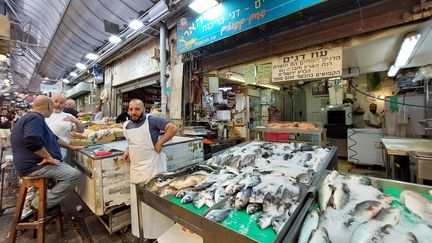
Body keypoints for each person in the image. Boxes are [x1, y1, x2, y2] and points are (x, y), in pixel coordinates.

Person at [10, 95, 81, 211]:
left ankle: (39, 201)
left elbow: (55, 138)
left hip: (32, 164)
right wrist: (48, 157)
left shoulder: (32, 117)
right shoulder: (35, 118)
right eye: (54, 104)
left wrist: (70, 147)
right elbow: (31, 140)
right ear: (49, 105)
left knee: (67, 172)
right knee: (73, 175)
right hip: (33, 167)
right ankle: (39, 204)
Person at [122, 99, 178, 240]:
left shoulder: (152, 120)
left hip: (153, 167)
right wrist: (128, 149)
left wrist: (159, 142)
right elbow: (132, 142)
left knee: (156, 201)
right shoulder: (126, 125)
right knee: (138, 203)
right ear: (128, 111)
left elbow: (173, 128)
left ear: (143, 110)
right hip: (136, 170)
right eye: (131, 109)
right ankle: (141, 231)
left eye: (137, 109)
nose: (134, 112)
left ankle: (160, 232)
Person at [45, 94, 85, 160]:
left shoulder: (69, 116)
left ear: (65, 104)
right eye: (56, 101)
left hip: (61, 153)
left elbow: (81, 131)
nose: (58, 104)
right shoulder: (44, 114)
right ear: (51, 102)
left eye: (61, 102)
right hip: (43, 153)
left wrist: (76, 122)